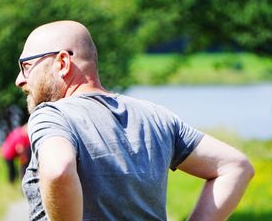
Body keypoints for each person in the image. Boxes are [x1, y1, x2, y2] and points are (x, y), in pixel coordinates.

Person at [15, 20, 254, 221]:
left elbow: (58, 171)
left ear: (62, 63)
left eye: (26, 67)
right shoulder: (157, 116)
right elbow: (235, 166)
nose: (20, 80)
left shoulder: (52, 115)